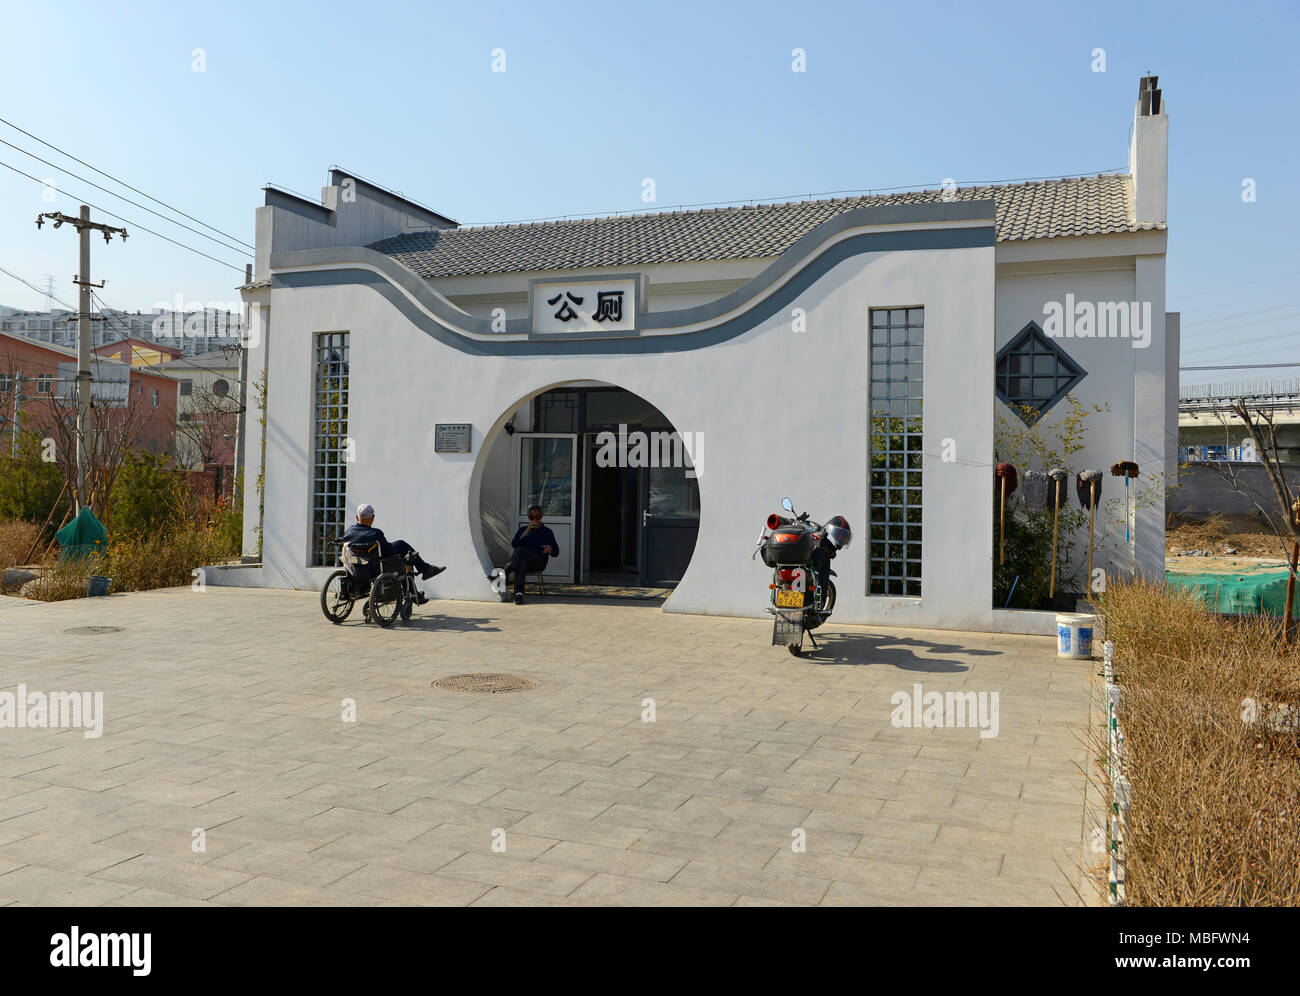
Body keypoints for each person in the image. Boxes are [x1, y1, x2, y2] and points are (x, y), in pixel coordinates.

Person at [341, 503, 443, 603]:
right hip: (375, 569)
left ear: (356, 517)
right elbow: (388, 552)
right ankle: (424, 570)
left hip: (356, 569)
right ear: (372, 518)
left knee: (404, 556)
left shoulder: (349, 531)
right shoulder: (375, 533)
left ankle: (420, 578)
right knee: (402, 549)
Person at [505, 505, 559, 604]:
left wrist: (550, 550)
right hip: (525, 561)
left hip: (539, 561)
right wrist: (526, 532)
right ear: (529, 518)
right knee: (522, 562)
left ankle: (505, 573)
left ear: (541, 517)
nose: (534, 520)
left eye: (537, 517)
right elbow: (514, 544)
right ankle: (518, 594)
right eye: (532, 517)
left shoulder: (547, 532)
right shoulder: (524, 530)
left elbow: (556, 552)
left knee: (521, 550)